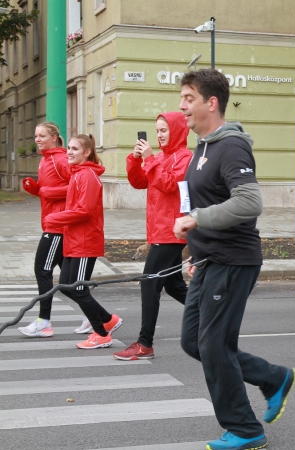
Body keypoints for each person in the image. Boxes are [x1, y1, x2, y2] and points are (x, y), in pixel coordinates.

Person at [173, 69, 295, 449]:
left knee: (213, 346)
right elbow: (206, 202)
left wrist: (196, 219)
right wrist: (192, 251)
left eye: (189, 98)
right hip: (209, 260)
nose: (182, 106)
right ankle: (273, 377)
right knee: (195, 343)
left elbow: (249, 202)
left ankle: (245, 429)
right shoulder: (202, 148)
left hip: (234, 260)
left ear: (212, 103)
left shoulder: (231, 146)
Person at [113, 112, 193, 361]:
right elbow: (139, 182)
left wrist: (150, 160)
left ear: (177, 131)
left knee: (150, 283)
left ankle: (145, 343)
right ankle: (213, 313)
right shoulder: (159, 157)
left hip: (172, 231)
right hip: (159, 229)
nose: (159, 135)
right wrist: (135, 160)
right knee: (173, 285)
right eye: (157, 131)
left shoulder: (185, 157)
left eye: (164, 130)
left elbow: (170, 184)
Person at [43, 134, 123, 349]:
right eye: (68, 148)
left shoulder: (86, 174)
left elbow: (84, 211)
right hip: (74, 240)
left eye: (74, 149)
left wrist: (54, 218)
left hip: (85, 241)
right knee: (67, 287)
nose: (69, 152)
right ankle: (108, 319)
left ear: (86, 152)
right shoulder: (78, 173)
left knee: (78, 289)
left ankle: (101, 333)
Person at [17, 123, 70, 338]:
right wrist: (36, 189)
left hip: (58, 225)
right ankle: (95, 318)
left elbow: (78, 185)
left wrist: (46, 191)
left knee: (42, 270)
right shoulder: (45, 160)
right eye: (36, 135)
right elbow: (48, 193)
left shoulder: (61, 159)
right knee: (70, 280)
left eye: (42, 136)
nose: (38, 139)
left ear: (55, 138)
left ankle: (44, 322)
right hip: (52, 222)